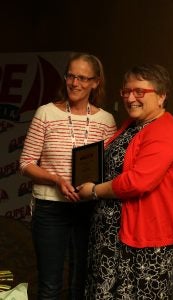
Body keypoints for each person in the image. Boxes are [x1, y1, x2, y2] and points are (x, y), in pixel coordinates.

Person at [78, 64, 173, 299]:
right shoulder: (133, 125)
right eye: (126, 92)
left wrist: (95, 191)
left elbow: (137, 182)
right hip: (110, 234)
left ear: (161, 96)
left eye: (140, 92)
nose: (131, 98)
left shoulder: (165, 131)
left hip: (144, 239)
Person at [19, 52, 117, 300]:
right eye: (71, 76)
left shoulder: (106, 121)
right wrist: (56, 180)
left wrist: (94, 185)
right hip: (50, 207)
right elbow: (26, 162)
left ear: (95, 82)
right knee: (50, 284)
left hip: (89, 208)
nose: (75, 83)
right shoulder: (46, 113)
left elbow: (110, 169)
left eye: (83, 78)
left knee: (81, 281)